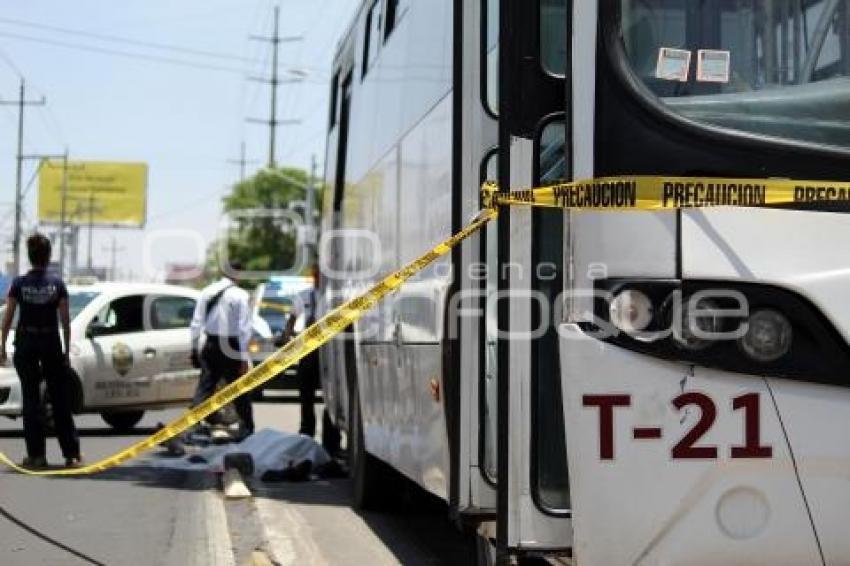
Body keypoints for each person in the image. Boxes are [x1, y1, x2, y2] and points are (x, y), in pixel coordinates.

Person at [0, 234, 82, 469]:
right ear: (48, 257)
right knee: (59, 398)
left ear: (30, 256)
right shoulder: (57, 284)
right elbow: (65, 321)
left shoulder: (19, 283)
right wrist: (66, 351)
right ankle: (72, 455)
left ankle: (36, 456)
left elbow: (8, 318)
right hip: (50, 342)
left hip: (26, 342)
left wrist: (2, 345)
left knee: (31, 399)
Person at [189, 261, 255, 436]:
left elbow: (196, 324)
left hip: (211, 344)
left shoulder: (207, 292)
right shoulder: (241, 295)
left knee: (205, 386)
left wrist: (194, 349)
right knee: (238, 388)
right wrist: (243, 357)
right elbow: (244, 329)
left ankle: (193, 425)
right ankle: (247, 426)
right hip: (231, 345)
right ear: (238, 274)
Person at [285, 265, 320, 438]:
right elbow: (291, 320)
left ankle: (332, 436)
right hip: (307, 350)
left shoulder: (332, 297)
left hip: (328, 351)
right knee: (306, 393)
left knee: (332, 396)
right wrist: (287, 337)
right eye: (316, 273)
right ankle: (307, 430)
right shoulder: (303, 295)